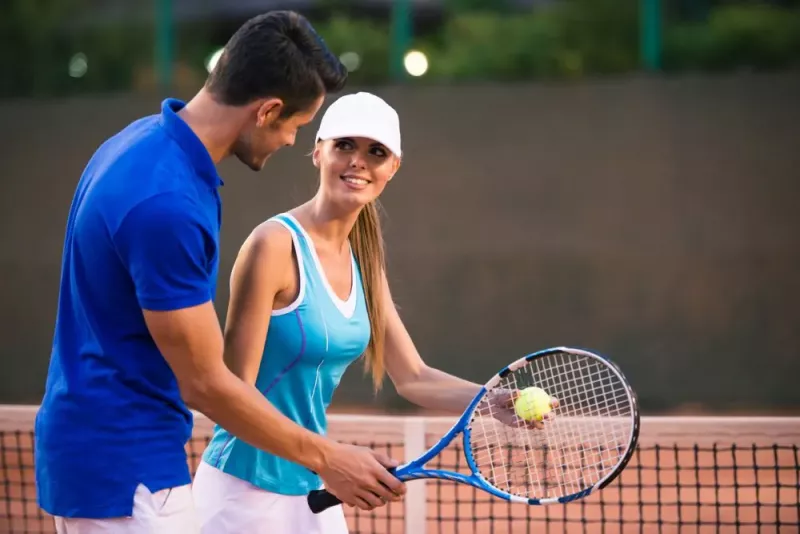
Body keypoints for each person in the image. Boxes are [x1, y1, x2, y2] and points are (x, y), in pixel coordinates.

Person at [34, 11, 405, 534]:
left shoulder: (139, 145)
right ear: (268, 111)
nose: (289, 143)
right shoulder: (168, 204)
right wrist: (328, 458)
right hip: (128, 473)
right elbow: (207, 382)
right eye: (296, 127)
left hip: (108, 456)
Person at [190, 91, 552, 534]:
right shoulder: (273, 245)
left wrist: (492, 402)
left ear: (392, 168)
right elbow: (231, 393)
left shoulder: (363, 260)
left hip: (310, 491)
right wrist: (331, 457)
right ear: (318, 150)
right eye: (346, 145)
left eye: (376, 152)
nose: (358, 161)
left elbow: (413, 376)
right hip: (242, 493)